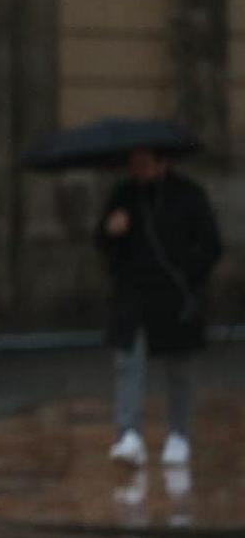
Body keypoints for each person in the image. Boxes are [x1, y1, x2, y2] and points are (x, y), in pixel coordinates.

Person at [96, 147, 221, 467]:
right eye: (134, 162)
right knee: (128, 363)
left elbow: (211, 244)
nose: (137, 168)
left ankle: (179, 435)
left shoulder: (189, 194)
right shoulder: (124, 194)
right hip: (132, 295)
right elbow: (102, 241)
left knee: (180, 368)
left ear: (161, 161)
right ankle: (129, 435)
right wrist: (111, 231)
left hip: (175, 296)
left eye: (144, 162)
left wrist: (188, 276)